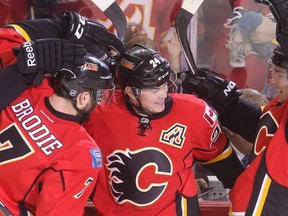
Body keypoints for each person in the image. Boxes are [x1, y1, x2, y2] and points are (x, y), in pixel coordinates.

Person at [83, 44, 244, 215]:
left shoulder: (193, 112)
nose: (163, 94)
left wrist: (244, 204)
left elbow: (230, 170)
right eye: (154, 89)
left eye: (164, 85)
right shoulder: (98, 108)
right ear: (130, 91)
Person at [0, 38, 115, 215]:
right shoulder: (82, 151)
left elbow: (8, 36)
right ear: (83, 97)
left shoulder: (31, 88)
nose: (100, 104)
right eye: (100, 97)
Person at [182, 45, 288, 215]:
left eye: (280, 74)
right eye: (273, 71)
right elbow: (259, 127)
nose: (272, 80)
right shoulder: (278, 106)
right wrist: (225, 100)